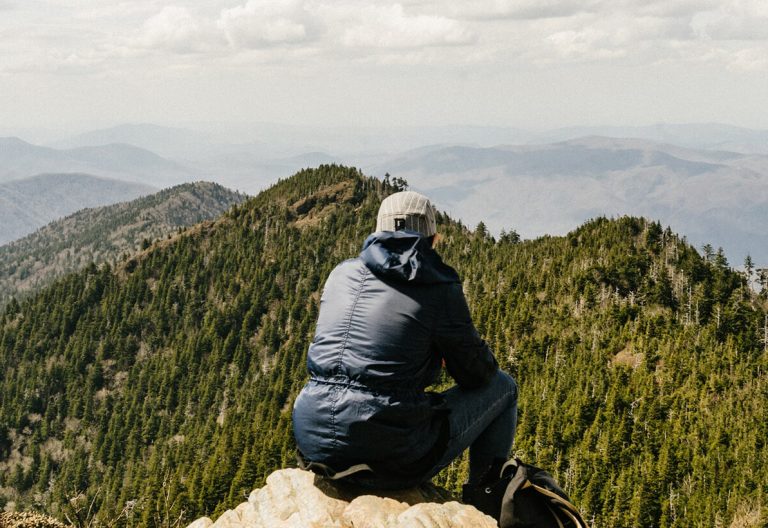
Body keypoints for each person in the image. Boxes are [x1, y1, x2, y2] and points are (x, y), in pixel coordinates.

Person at [292, 190, 518, 494]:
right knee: (503, 387)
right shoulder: (438, 287)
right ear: (433, 239)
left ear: (376, 232)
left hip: (313, 441)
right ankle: (485, 501)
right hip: (387, 455)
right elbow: (476, 375)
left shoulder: (340, 274)